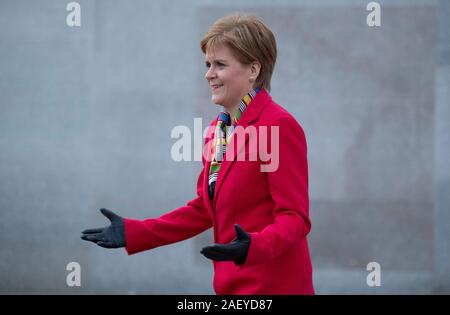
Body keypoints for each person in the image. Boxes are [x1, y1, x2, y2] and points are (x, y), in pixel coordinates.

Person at [81, 13, 314, 295]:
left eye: (219, 64)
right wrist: (137, 232)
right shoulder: (218, 130)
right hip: (229, 287)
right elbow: (205, 208)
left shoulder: (279, 126)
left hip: (273, 288)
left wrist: (254, 246)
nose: (208, 74)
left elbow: (295, 217)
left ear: (253, 69)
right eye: (207, 64)